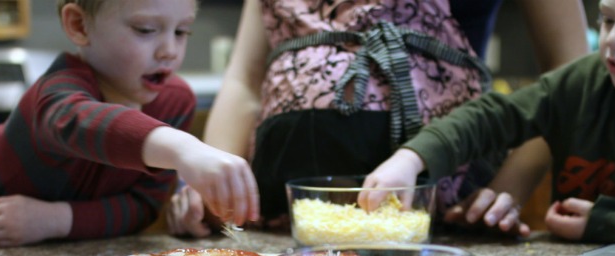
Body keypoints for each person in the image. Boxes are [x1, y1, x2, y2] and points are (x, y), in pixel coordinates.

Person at [166, 0, 590, 237]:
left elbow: (570, 79)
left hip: (447, 222)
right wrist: (214, 186)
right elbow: (245, 79)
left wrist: (506, 192)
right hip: (283, 226)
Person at [360, 0, 615, 243]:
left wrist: (606, 223)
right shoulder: (581, 82)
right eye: (607, 19)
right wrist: (411, 159)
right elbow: (492, 117)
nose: (614, 39)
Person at [0, 0, 259, 247]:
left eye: (181, 32)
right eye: (146, 29)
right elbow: (81, 122)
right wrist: (183, 148)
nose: (170, 50)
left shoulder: (175, 103)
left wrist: (53, 219)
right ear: (79, 25)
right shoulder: (55, 94)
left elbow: (141, 206)